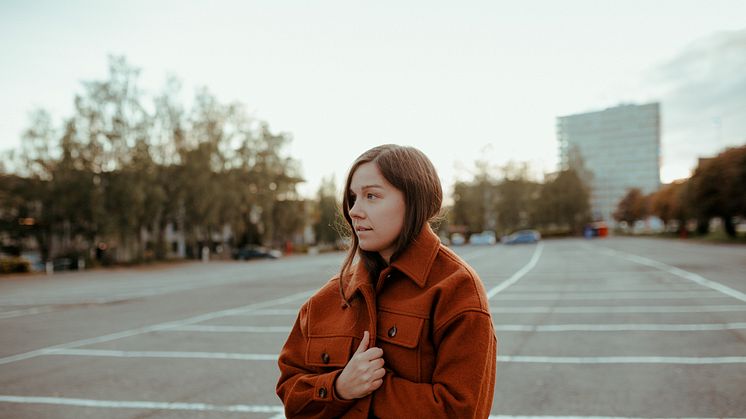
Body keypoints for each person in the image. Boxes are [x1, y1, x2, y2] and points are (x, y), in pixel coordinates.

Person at [276, 144, 497, 418]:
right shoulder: (330, 297)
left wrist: (371, 389)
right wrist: (339, 387)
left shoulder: (457, 290)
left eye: (372, 196)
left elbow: (462, 411)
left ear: (414, 200)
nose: (355, 211)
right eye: (353, 198)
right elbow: (292, 396)